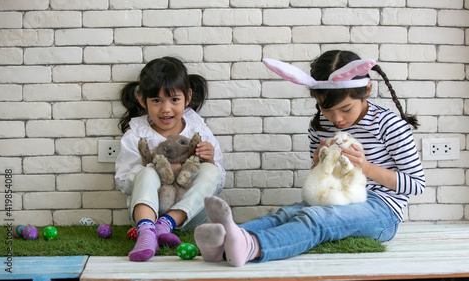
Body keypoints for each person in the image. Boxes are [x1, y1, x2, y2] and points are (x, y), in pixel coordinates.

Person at [194, 50, 425, 267]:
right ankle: (221, 241)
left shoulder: (389, 125)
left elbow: (416, 184)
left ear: (367, 91)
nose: (337, 119)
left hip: (382, 208)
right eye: (326, 109)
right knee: (287, 214)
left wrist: (364, 167)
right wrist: (318, 165)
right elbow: (321, 179)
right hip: (334, 196)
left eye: (345, 109)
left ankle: (252, 246)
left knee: (315, 217)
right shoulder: (320, 125)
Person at [115, 56, 225, 262]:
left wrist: (209, 161)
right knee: (146, 171)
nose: (166, 109)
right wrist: (156, 168)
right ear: (142, 100)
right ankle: (148, 233)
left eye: (174, 99)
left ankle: (166, 224)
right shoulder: (137, 135)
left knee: (211, 171)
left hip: (191, 216)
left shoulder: (198, 131)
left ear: (188, 97)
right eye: (156, 101)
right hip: (146, 214)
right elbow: (123, 182)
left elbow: (218, 185)